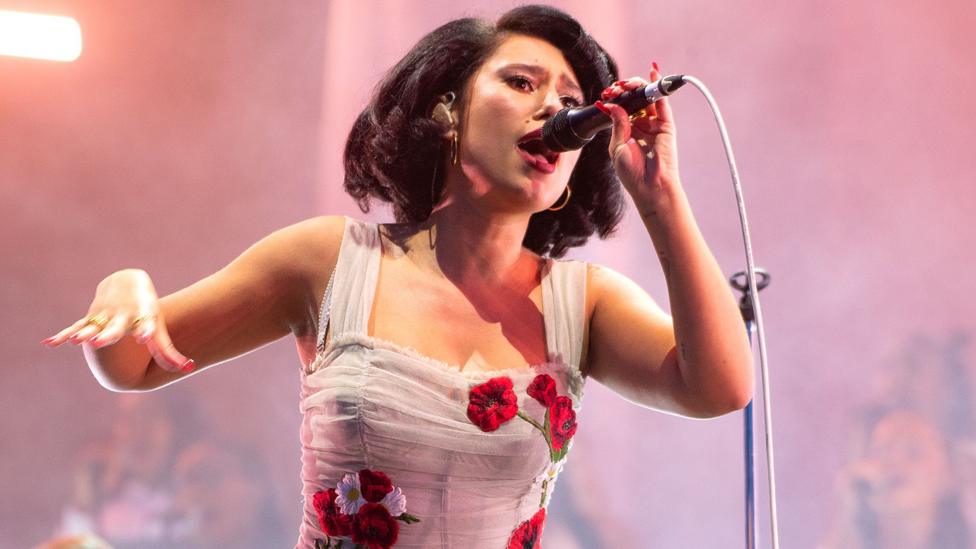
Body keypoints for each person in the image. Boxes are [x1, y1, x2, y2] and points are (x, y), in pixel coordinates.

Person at [43, 5, 753, 548]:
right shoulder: (330, 261)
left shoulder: (584, 301)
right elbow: (132, 365)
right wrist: (126, 285)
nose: (552, 109)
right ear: (448, 113)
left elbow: (722, 387)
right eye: (521, 82)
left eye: (568, 99)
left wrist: (661, 202)